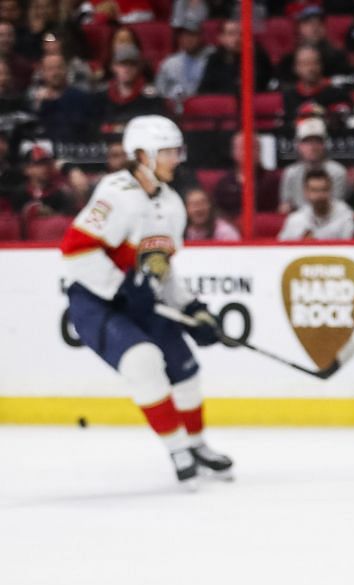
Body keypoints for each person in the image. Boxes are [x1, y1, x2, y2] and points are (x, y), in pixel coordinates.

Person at [60, 117, 233, 486]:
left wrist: (191, 308)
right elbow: (74, 252)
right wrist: (120, 286)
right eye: (168, 151)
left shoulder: (172, 205)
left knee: (185, 369)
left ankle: (197, 444)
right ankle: (177, 448)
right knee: (143, 361)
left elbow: (162, 269)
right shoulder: (115, 193)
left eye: (177, 150)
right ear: (142, 155)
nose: (176, 159)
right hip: (97, 302)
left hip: (139, 298)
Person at [278, 118, 349, 215]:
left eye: (317, 141)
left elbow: (335, 208)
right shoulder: (290, 172)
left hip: (330, 222)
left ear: (325, 144)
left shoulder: (338, 172)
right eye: (307, 141)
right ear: (298, 145)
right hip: (299, 223)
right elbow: (285, 206)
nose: (312, 147)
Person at [279, 168, 354, 239]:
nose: (320, 195)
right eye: (314, 190)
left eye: (324, 190)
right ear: (306, 192)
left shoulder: (346, 216)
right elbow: (279, 248)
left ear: (331, 190)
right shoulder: (295, 220)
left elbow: (350, 248)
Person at [154, 21, 207, 102]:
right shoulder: (169, 63)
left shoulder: (211, 59)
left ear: (200, 37)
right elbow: (159, 91)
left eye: (192, 35)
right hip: (175, 108)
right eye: (183, 35)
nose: (188, 39)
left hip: (203, 105)